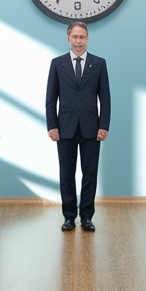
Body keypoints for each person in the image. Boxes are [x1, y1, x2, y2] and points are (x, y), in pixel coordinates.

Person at [45, 21, 110, 232]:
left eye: (82, 37)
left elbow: (106, 99)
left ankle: (87, 217)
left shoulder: (99, 63)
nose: (79, 41)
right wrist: (52, 125)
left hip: (92, 128)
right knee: (67, 173)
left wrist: (104, 125)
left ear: (88, 38)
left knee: (90, 174)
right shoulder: (57, 63)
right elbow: (50, 98)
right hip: (65, 128)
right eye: (75, 37)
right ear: (68, 37)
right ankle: (69, 216)